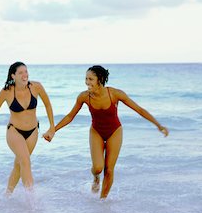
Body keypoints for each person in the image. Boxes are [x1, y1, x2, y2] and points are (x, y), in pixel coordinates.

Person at [52, 65, 169, 199]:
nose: (87, 82)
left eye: (90, 79)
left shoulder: (115, 94)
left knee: (109, 169)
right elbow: (70, 116)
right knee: (98, 168)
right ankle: (96, 178)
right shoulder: (84, 97)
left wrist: (158, 125)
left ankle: (102, 201)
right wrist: (54, 130)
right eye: (86, 79)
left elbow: (139, 110)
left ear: (99, 79)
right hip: (96, 132)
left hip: (115, 131)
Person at [0, 61, 55, 196]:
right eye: (20, 73)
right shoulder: (6, 92)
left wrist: (52, 127)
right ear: (13, 76)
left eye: (26, 71)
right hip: (14, 131)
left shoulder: (36, 87)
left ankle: (7, 195)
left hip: (33, 131)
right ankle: (31, 199)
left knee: (19, 165)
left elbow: (48, 105)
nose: (24, 75)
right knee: (25, 161)